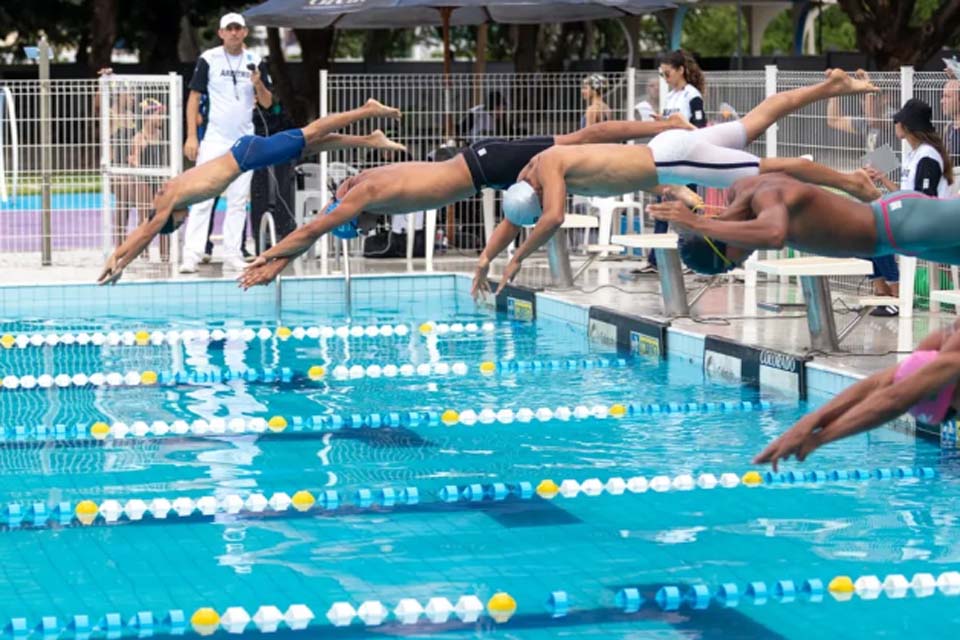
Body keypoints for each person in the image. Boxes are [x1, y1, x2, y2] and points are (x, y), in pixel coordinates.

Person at [484, 69, 881, 295]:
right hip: (668, 150)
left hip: (673, 157)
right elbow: (524, 210)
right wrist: (487, 259)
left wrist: (518, 258)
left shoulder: (549, 168)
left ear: (534, 192)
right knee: (754, 121)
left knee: (774, 171)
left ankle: (853, 183)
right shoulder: (536, 169)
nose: (554, 202)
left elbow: (551, 219)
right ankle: (831, 87)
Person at [237, 115, 697, 289]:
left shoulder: (366, 191)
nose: (334, 198)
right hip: (481, 168)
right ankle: (666, 171)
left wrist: (275, 260)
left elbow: (314, 228)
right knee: (580, 163)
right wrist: (278, 260)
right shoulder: (366, 191)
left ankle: (662, 128)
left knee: (577, 143)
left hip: (481, 165)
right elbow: (316, 227)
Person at [97, 99, 403, 285]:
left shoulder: (169, 199)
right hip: (244, 154)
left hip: (245, 157)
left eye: (179, 222)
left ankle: (366, 110)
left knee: (310, 133)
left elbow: (145, 231)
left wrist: (117, 260)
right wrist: (120, 258)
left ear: (171, 217)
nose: (185, 217)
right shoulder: (171, 195)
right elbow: (144, 228)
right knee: (306, 145)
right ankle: (369, 139)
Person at [646, 171, 960, 277]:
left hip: (902, 223)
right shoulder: (740, 194)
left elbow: (775, 233)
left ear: (724, 245)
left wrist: (701, 226)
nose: (740, 264)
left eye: (731, 264)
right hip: (900, 238)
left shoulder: (764, 197)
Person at [754, 320, 960, 470]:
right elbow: (883, 384)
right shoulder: (942, 343)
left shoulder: (949, 358)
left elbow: (895, 399)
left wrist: (819, 438)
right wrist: (811, 421)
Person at [180, 12, 274, 274]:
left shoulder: (255, 60)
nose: (234, 33)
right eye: (229, 29)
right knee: (202, 196)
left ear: (244, 32)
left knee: (238, 199)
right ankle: (192, 254)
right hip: (214, 138)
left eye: (238, 28)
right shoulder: (209, 59)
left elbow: (267, 103)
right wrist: (191, 135)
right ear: (221, 33)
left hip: (244, 140)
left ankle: (233, 253)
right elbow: (194, 98)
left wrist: (258, 86)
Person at [863, 98, 955, 316]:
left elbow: (924, 198)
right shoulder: (913, 154)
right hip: (915, 216)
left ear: (907, 126)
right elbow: (907, 194)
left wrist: (889, 206)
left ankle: (898, 296)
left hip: (930, 222)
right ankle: (883, 293)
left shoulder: (927, 156)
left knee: (878, 236)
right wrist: (883, 180)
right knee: (864, 233)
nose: (895, 125)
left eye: (897, 122)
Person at [647, 50, 709, 272]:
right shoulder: (672, 96)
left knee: (688, 208)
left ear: (681, 70)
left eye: (668, 74)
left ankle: (694, 258)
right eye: (662, 75)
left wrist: (681, 126)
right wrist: (662, 121)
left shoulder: (691, 95)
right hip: (669, 157)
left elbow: (700, 128)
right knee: (663, 207)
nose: (666, 79)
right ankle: (655, 260)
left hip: (685, 159)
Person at [127, 98, 171, 261]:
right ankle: (143, 254)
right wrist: (134, 162)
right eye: (159, 115)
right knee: (145, 218)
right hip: (144, 179)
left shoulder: (161, 135)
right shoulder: (139, 138)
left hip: (158, 179)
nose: (162, 119)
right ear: (147, 116)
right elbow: (136, 161)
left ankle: (165, 255)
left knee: (164, 217)